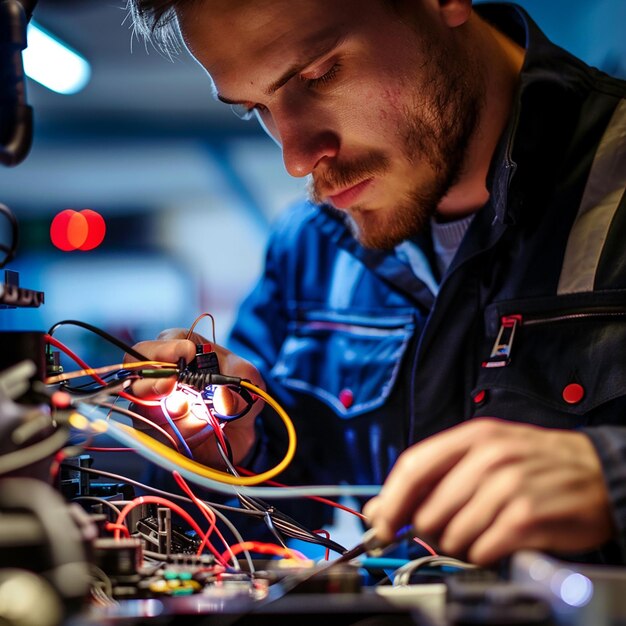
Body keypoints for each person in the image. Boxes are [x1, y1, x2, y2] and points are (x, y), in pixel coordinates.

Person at [126, 0, 626, 566]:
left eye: (320, 74)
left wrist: (613, 478)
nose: (296, 158)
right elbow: (254, 525)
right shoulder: (311, 246)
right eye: (254, 109)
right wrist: (225, 452)